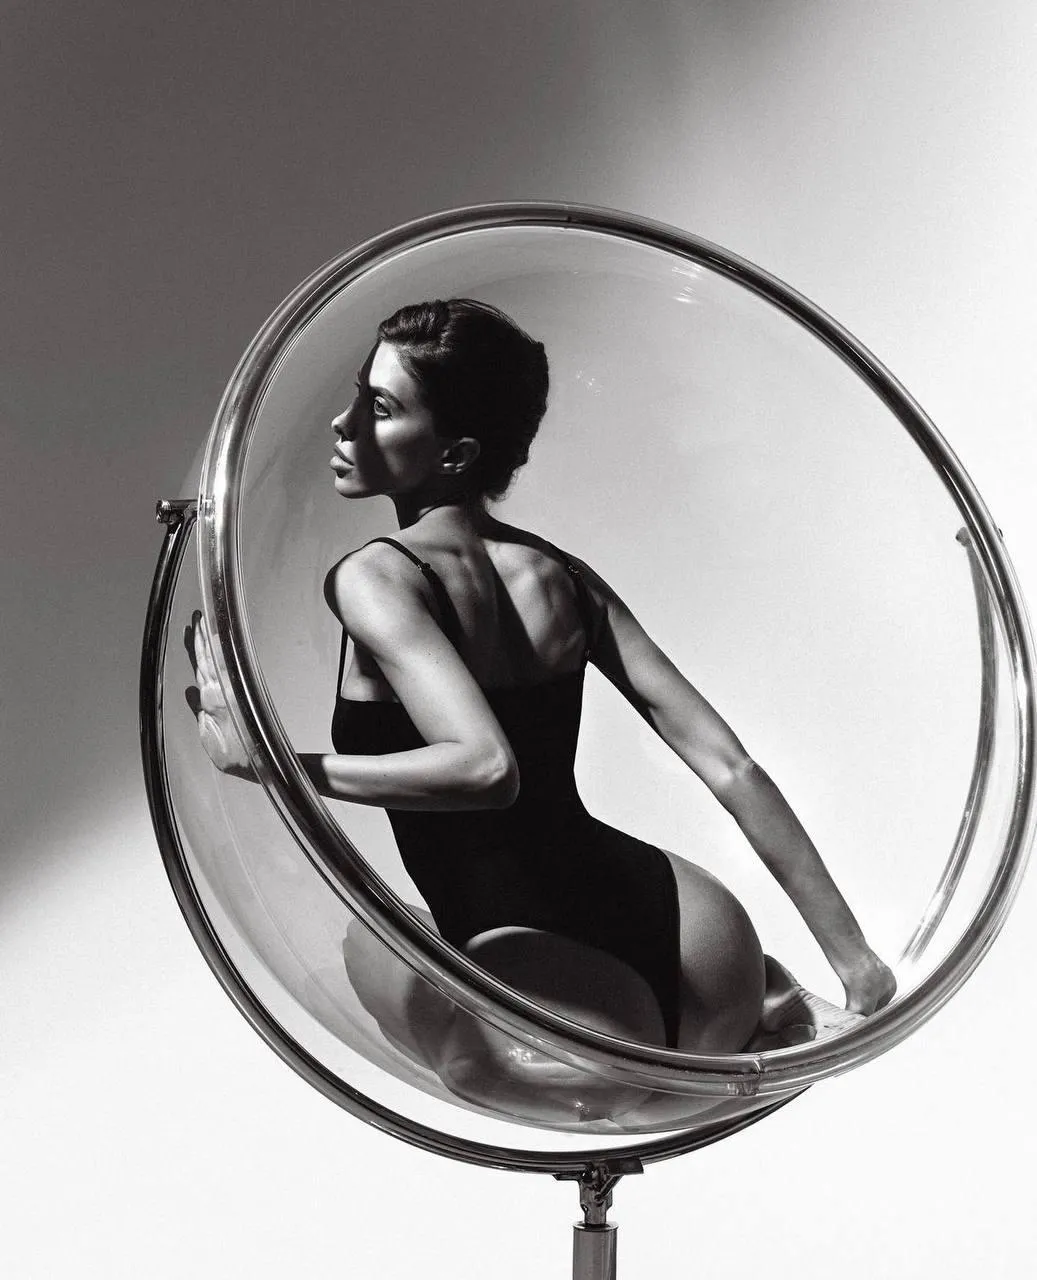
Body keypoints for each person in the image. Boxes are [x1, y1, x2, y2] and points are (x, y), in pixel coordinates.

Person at [187, 298, 895, 1122]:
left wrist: (269, 763)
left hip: (538, 957)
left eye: (379, 408)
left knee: (374, 957)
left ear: (455, 453)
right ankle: (765, 1012)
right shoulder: (562, 576)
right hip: (700, 936)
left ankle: (635, 1075)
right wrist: (853, 960)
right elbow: (729, 765)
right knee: (616, 1068)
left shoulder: (377, 577)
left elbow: (484, 768)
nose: (343, 425)